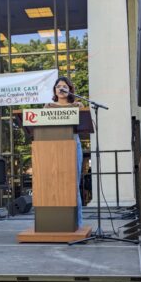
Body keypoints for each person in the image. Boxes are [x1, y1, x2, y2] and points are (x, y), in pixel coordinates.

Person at [45, 76, 84, 228]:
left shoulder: (78, 105)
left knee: (73, 185)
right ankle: (57, 223)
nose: (61, 88)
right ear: (55, 90)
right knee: (56, 184)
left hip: (74, 144)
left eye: (64, 86)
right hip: (53, 148)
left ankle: (78, 223)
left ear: (69, 89)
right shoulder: (48, 106)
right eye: (58, 86)